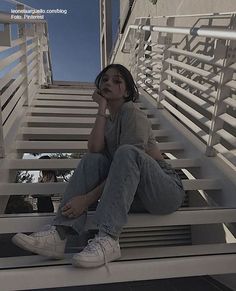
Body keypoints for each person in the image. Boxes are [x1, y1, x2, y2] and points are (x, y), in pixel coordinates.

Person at [12, 64, 185, 268]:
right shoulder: (109, 120)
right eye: (105, 79)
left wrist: (86, 200)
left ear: (127, 91)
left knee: (126, 152)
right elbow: (94, 149)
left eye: (117, 80)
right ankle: (59, 234)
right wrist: (101, 108)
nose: (108, 82)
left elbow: (129, 161)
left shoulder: (134, 114)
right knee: (93, 159)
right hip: (135, 195)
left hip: (164, 191)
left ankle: (109, 238)